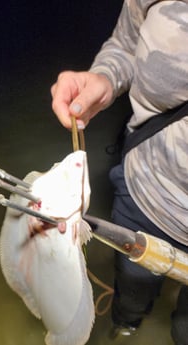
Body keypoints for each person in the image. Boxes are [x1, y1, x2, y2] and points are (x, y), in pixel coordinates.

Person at [50, 1, 188, 344]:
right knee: (130, 297)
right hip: (147, 194)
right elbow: (126, 43)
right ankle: (126, 324)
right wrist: (105, 76)